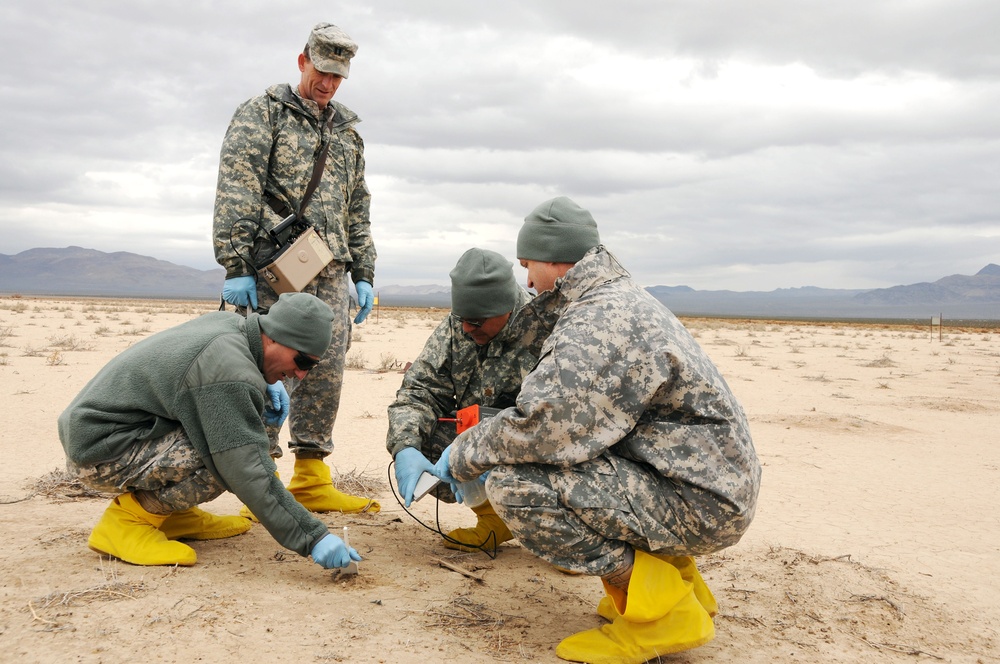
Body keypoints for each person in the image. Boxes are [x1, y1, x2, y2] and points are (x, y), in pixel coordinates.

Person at [430, 197, 762, 662]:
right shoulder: (614, 297)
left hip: (702, 501)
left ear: (552, 258)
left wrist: (464, 453)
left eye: (528, 265)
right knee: (582, 463)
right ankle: (682, 583)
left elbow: (544, 427)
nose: (526, 280)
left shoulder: (599, 319)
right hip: (703, 485)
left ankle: (663, 615)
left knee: (517, 486)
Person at [58, 292, 362, 571]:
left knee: (231, 435)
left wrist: (265, 381)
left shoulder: (233, 326)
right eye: (301, 361)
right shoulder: (229, 370)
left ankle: (173, 515)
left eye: (311, 366)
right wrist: (313, 537)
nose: (301, 374)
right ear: (273, 338)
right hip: (100, 453)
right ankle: (129, 522)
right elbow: (247, 469)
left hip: (115, 433)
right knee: (225, 455)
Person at [212, 22, 379, 515]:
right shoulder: (262, 114)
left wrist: (363, 271)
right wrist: (236, 263)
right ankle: (257, 480)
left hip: (329, 270)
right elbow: (237, 189)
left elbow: (358, 207)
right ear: (303, 60)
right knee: (268, 367)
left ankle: (310, 476)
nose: (328, 84)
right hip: (274, 267)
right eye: (322, 72)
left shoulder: (346, 131)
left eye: (339, 77)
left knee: (323, 370)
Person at [387, 248, 534, 552]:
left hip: (534, 444)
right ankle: (495, 521)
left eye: (476, 322)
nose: (467, 329)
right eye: (462, 319)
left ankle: (558, 534)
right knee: (423, 438)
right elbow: (419, 391)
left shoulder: (546, 329)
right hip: (480, 439)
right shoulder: (459, 327)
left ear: (506, 309)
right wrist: (405, 447)